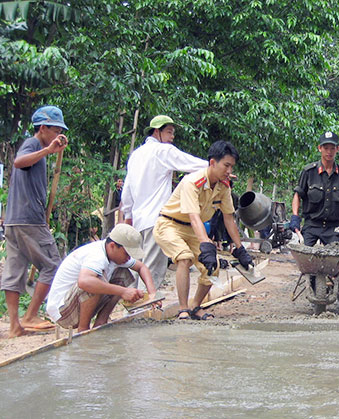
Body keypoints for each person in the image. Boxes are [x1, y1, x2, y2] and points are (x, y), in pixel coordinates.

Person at [153, 140, 253, 320]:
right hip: (169, 225)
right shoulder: (192, 182)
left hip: (192, 229)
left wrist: (240, 249)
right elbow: (194, 216)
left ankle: (195, 307)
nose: (229, 171)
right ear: (213, 163)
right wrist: (206, 243)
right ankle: (183, 309)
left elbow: (229, 218)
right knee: (184, 257)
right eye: (226, 165)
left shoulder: (224, 187)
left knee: (212, 267)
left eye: (232, 166)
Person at [1, 106, 68, 337]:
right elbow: (19, 162)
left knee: (15, 269)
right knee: (52, 264)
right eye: (55, 130)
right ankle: (29, 316)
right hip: (29, 220)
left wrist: (52, 150)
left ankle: (14, 326)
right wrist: (48, 150)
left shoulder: (40, 149)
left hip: (15, 220)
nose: (57, 134)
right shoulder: (32, 144)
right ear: (43, 129)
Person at [122, 115, 208, 290]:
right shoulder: (163, 151)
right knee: (151, 271)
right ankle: (143, 312)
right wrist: (216, 168)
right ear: (157, 132)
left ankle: (131, 310)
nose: (172, 137)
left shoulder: (136, 155)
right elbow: (191, 163)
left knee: (136, 269)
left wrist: (128, 216)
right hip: (156, 220)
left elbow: (127, 191)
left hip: (138, 221)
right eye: (169, 132)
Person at [46, 224, 159, 331]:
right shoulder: (97, 255)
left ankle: (101, 322)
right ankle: (83, 330)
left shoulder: (113, 254)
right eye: (126, 253)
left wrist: (152, 294)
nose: (128, 258)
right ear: (112, 246)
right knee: (94, 282)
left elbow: (141, 267)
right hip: (63, 313)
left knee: (122, 273)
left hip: (77, 306)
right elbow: (84, 282)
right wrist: (123, 291)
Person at [290, 131, 339, 308]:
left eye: (332, 148)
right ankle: (312, 290)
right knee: (307, 258)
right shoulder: (308, 172)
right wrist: (295, 217)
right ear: (319, 148)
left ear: (337, 149)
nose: (329, 151)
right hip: (312, 224)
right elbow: (298, 195)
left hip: (334, 226)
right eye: (325, 147)